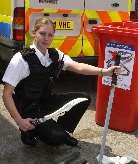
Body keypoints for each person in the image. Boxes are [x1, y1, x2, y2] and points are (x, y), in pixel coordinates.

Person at [2, 17, 120, 147]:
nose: (46, 38)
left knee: (83, 99)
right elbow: (6, 94)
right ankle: (29, 131)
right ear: (34, 33)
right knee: (56, 139)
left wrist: (105, 71)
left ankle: (59, 130)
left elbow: (78, 67)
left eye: (50, 35)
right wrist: (19, 121)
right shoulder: (21, 59)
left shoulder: (54, 55)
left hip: (46, 101)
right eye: (42, 33)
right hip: (28, 109)